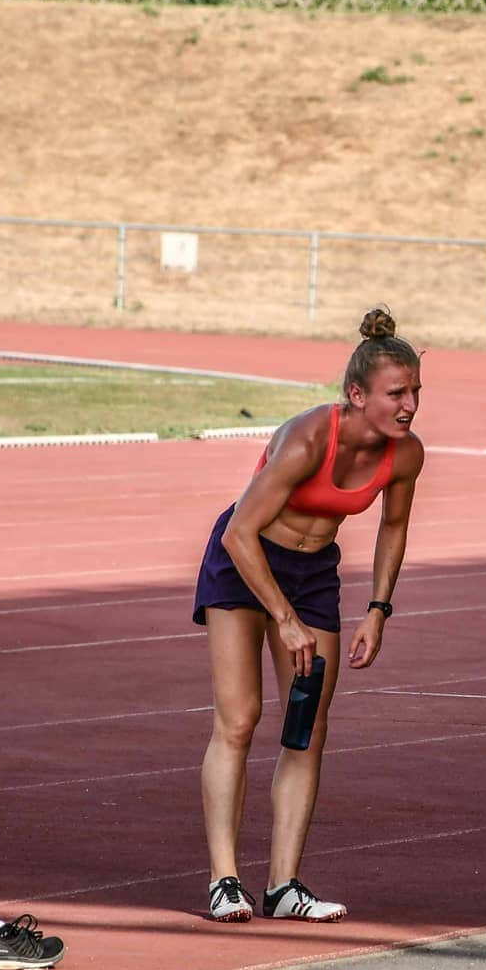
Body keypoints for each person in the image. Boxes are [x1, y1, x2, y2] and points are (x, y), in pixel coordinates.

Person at [192, 306, 425, 923]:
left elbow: (393, 528)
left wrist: (378, 609)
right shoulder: (307, 438)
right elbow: (241, 532)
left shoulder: (404, 454)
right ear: (356, 394)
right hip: (245, 560)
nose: (408, 406)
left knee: (306, 727)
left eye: (415, 393)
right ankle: (223, 880)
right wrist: (284, 618)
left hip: (314, 572)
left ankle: (283, 886)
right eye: (395, 393)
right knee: (238, 720)